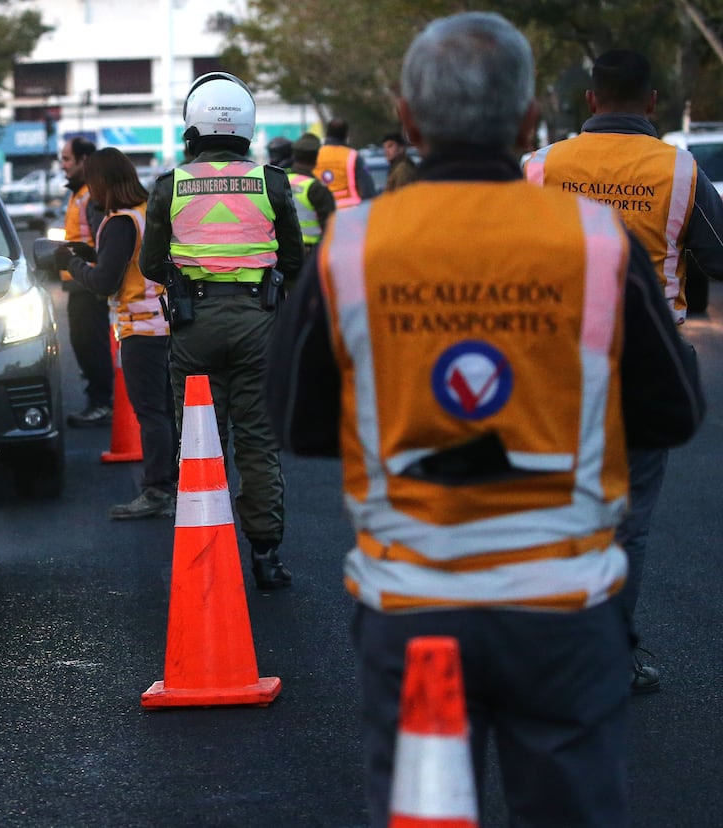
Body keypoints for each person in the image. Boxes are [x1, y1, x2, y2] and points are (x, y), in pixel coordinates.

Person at [266, 13, 703, 826]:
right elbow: (672, 410)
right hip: (564, 610)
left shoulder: (354, 245)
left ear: (405, 116)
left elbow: (297, 421)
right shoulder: (595, 238)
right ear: (531, 119)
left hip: (415, 605)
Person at [524, 49, 723, 695]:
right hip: (646, 361)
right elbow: (719, 258)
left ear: (589, 101)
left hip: (554, 362)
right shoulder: (683, 171)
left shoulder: (543, 167)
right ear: (653, 102)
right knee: (629, 520)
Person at [140, 71, 304, 590]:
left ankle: (204, 551)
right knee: (258, 440)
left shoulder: (171, 186)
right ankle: (266, 556)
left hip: (194, 325)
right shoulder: (272, 182)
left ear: (193, 127)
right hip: (259, 323)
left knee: (202, 439)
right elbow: (294, 259)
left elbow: (149, 264)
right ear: (248, 128)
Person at [59, 148, 176, 519]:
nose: (90, 193)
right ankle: (176, 484)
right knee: (168, 411)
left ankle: (158, 490)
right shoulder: (145, 213)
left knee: (151, 413)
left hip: (140, 330)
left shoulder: (120, 222)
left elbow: (104, 282)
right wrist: (91, 254)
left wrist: (71, 263)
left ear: (103, 183)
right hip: (167, 323)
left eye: (93, 184)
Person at [59, 137, 114, 427]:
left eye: (68, 159)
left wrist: (94, 272)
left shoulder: (92, 195)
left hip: (89, 282)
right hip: (80, 278)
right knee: (83, 343)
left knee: (90, 344)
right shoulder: (80, 192)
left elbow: (103, 240)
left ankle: (101, 402)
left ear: (83, 161)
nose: (63, 165)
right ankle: (100, 399)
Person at [313, 117, 377, 208]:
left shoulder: (315, 155)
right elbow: (367, 189)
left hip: (323, 211)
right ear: (346, 135)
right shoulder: (353, 156)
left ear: (327, 134)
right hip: (350, 211)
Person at [289, 133, 336, 250]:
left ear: (294, 156)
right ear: (316, 157)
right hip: (312, 252)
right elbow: (330, 226)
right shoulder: (316, 188)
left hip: (284, 253)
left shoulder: (280, 180)